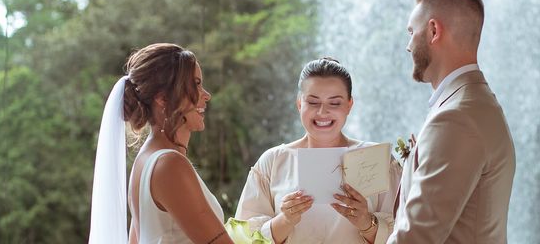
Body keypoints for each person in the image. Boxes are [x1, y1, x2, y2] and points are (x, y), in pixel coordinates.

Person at [388, 0, 516, 243]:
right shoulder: (478, 103)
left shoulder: (455, 118)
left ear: (433, 31)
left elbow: (416, 237)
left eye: (411, 32)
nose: (408, 45)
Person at [236, 57, 401, 244]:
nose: (322, 112)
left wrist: (367, 223)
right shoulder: (273, 161)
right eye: (313, 102)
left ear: (349, 105)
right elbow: (242, 237)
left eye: (335, 103)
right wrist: (285, 220)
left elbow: (409, 233)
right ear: (299, 104)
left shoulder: (379, 160)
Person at [88, 43, 234, 244]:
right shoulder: (169, 165)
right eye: (196, 85)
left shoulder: (146, 161)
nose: (206, 95)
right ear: (163, 99)